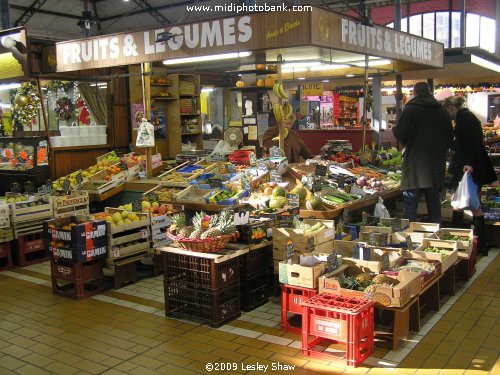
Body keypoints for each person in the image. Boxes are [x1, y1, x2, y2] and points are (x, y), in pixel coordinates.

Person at [392, 82, 454, 224]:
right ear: (430, 92)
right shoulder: (442, 111)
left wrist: (409, 142)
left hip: (414, 165)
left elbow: (400, 133)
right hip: (435, 165)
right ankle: (436, 236)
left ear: (415, 93)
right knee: (434, 204)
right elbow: (450, 139)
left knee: (411, 205)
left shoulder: (410, 109)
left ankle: (411, 236)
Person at [443, 96, 497, 256]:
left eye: (447, 111)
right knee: (471, 204)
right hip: (471, 166)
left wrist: (469, 163)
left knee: (463, 204)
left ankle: (460, 243)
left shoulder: (465, 118)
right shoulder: (466, 117)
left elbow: (471, 143)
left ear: (451, 108)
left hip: (468, 168)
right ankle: (478, 245)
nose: (448, 115)